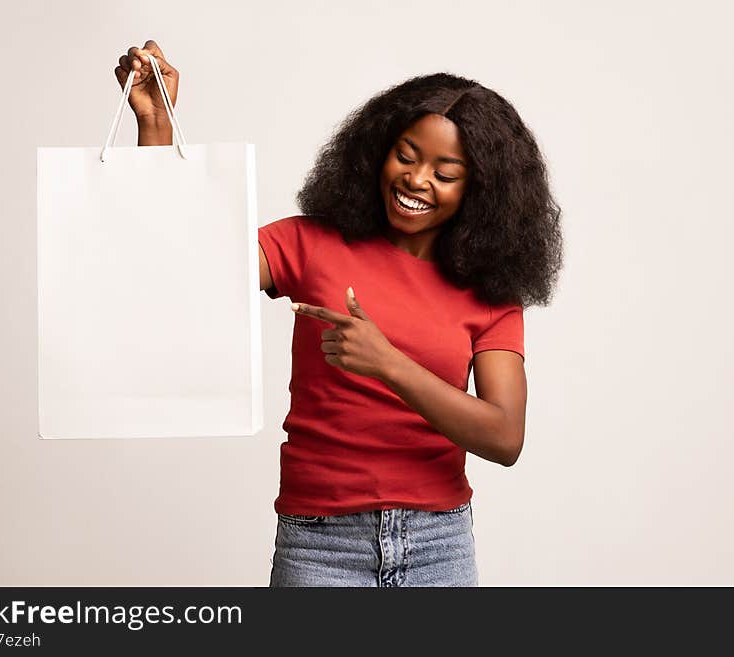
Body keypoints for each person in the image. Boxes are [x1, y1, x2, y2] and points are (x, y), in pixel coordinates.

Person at [115, 40, 563, 587]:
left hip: (438, 547)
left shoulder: (488, 290)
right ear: (378, 149)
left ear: (481, 189)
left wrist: (388, 363)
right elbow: (181, 274)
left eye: (446, 172)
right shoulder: (310, 243)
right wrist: (157, 128)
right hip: (320, 546)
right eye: (406, 154)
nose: (418, 179)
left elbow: (504, 436)